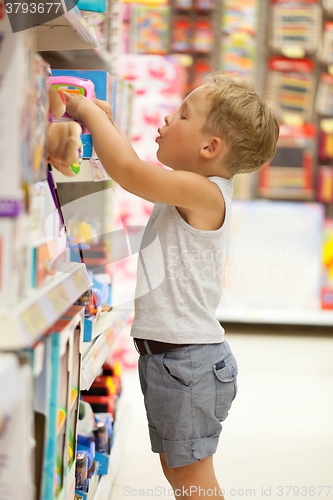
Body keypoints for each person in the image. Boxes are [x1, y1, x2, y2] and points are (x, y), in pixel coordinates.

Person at [64, 72, 280, 499]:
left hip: (189, 365)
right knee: (179, 475)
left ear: (209, 147)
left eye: (182, 114)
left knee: (193, 483)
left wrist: (86, 110)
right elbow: (130, 165)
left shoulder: (203, 192)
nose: (167, 117)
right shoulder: (190, 187)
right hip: (172, 362)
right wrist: (105, 127)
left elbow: (129, 170)